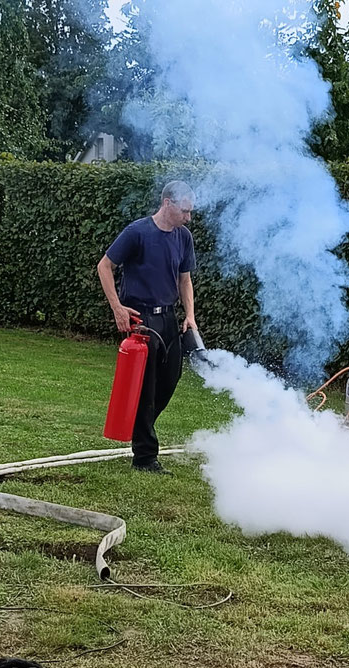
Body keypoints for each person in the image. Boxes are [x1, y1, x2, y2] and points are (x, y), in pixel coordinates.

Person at [97, 180, 198, 473]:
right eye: (185, 211)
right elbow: (105, 266)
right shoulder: (137, 232)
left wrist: (189, 315)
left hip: (168, 318)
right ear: (168, 203)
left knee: (169, 380)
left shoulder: (184, 237)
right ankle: (145, 457)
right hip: (140, 318)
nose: (188, 218)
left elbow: (185, 280)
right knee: (146, 387)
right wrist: (117, 308)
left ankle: (140, 428)